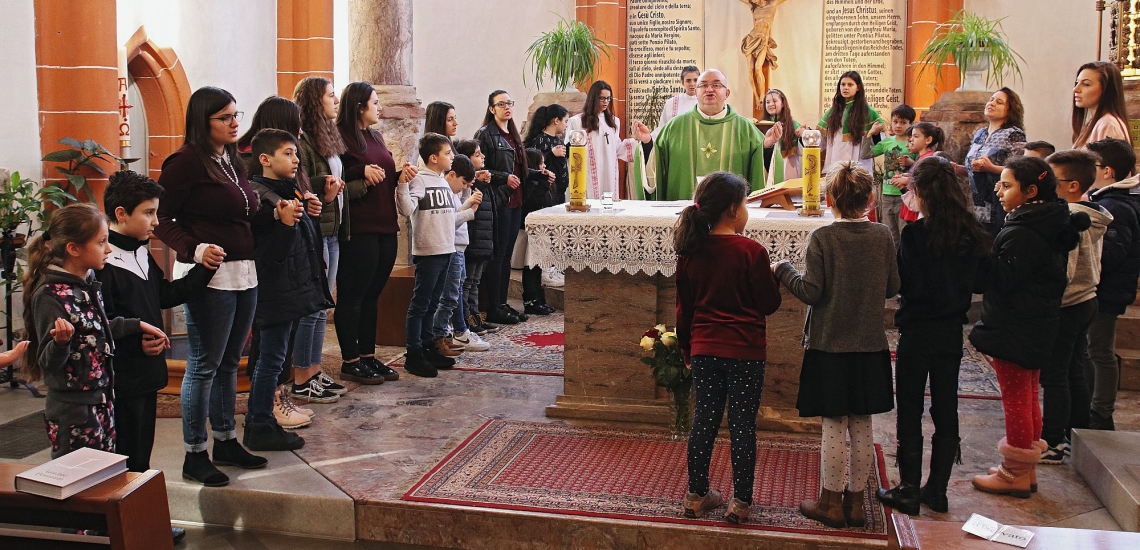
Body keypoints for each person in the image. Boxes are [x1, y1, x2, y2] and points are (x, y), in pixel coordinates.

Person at [773, 162, 899, 528]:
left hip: (830, 345)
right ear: (871, 199)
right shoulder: (883, 236)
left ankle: (829, 503)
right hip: (869, 343)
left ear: (828, 199)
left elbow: (812, 292)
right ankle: (856, 504)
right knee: (862, 422)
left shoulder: (824, 238)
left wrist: (783, 270)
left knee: (833, 424)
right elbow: (892, 288)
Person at [155, 86, 268, 486]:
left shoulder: (234, 161)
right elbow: (162, 218)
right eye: (225, 117)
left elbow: (244, 214)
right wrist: (194, 249)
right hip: (209, 278)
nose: (235, 123)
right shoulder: (184, 162)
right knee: (204, 364)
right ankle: (194, 452)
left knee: (228, 362)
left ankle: (226, 440)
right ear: (203, 121)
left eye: (237, 115)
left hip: (244, 274)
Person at [875, 157, 991, 516]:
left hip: (917, 329)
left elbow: (906, 285)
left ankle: (909, 489)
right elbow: (982, 283)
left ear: (921, 191)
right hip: (950, 331)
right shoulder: (972, 230)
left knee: (910, 407)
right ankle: (937, 490)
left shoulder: (916, 234)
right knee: (946, 407)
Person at [969, 156, 1087, 498]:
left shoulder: (1024, 231)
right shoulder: (1047, 221)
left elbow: (1001, 280)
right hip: (1035, 322)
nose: (998, 190)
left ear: (1031, 190)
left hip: (1016, 325)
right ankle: (1024, 469)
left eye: (1006, 186)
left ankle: (1014, 473)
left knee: (1018, 398)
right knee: (1028, 394)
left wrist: (980, 251)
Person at [676, 172, 781, 525]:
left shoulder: (691, 251)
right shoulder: (752, 251)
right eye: (746, 204)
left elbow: (684, 309)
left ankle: (696, 495)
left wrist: (688, 350)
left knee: (703, 421)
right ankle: (741, 503)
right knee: (742, 426)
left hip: (705, 349)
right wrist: (775, 275)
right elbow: (768, 304)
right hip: (745, 352)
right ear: (734, 209)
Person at [98, 170, 216, 472]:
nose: (155, 222)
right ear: (121, 214)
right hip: (121, 376)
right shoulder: (103, 263)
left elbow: (163, 295)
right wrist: (136, 339)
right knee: (123, 457)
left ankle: (138, 515)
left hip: (146, 373)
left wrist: (204, 269)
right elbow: (102, 322)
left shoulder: (141, 253)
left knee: (141, 454)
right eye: (149, 213)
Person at [236, 95, 342, 410]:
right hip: (272, 278)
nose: (296, 151)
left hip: (293, 270)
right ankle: (268, 406)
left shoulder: (285, 177)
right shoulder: (255, 178)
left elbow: (293, 215)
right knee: (269, 349)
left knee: (280, 346)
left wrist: (307, 203)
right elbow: (266, 235)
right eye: (290, 148)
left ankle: (278, 398)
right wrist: (283, 217)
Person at [244, 129, 334, 452]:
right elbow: (269, 254)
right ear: (265, 159)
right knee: (270, 359)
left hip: (291, 290)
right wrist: (283, 223)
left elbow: (303, 244)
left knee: (278, 356)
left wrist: (310, 213)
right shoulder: (259, 196)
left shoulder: (290, 191)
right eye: (288, 153)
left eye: (296, 153)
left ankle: (261, 420)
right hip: (273, 292)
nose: (296, 159)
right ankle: (258, 422)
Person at [1037, 149, 1111, 464]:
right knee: (1074, 369)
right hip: (1087, 299)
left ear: (1072, 185)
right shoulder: (1093, 212)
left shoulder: (1068, 216)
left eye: (1051, 180)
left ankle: (1053, 441)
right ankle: (1079, 433)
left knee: (1054, 374)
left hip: (1067, 303)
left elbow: (1064, 268)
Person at [334, 81, 410, 384]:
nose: (380, 108)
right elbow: (336, 173)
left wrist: (399, 174)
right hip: (360, 226)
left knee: (372, 295)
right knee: (353, 295)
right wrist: (358, 171)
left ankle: (367, 355)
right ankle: (350, 360)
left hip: (384, 223)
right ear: (359, 106)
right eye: (375, 102)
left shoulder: (375, 135)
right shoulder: (340, 137)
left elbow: (383, 177)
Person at [397, 133, 482, 377]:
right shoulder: (420, 181)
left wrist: (469, 211)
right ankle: (413, 353)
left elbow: (450, 219)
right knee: (420, 304)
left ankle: (428, 346)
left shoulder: (444, 182)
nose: (452, 157)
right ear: (433, 158)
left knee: (433, 303)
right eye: (448, 153)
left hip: (447, 249)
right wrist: (402, 184)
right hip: (429, 250)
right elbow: (406, 209)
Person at [294, 76, 352, 408]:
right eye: (331, 96)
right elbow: (300, 181)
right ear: (316, 101)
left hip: (332, 230)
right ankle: (303, 377)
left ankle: (315, 371)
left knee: (322, 306)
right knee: (312, 307)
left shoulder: (328, 135)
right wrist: (324, 185)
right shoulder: (303, 141)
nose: (335, 101)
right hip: (317, 229)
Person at [1084, 138, 1140, 430]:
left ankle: (1101, 413)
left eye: (1090, 165)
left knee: (1100, 352)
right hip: (1103, 289)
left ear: (1107, 171)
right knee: (1093, 349)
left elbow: (1109, 255)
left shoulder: (1113, 206)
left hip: (1105, 291)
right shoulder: (1109, 200)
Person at [476, 90, 543, 324]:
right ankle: (495, 305)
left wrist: (539, 175)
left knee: (506, 255)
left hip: (516, 201)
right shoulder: (486, 135)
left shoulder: (512, 135)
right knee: (499, 255)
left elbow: (519, 170)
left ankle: (503, 303)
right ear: (491, 108)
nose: (507, 107)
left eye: (509, 103)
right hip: (499, 200)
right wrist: (502, 178)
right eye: (501, 104)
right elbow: (479, 167)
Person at [648, 69, 767, 201]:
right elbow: (656, 159)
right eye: (703, 85)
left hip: (730, 215)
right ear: (696, 92)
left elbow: (763, 163)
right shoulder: (674, 127)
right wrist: (646, 144)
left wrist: (768, 147)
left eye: (716, 85)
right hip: (684, 215)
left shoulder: (746, 129)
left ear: (727, 93)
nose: (709, 89)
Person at [440, 155, 491, 352]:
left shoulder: (451, 189)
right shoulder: (444, 189)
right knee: (451, 295)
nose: (463, 187)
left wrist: (468, 197)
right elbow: (450, 219)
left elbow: (456, 210)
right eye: (463, 182)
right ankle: (454, 332)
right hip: (451, 246)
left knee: (457, 291)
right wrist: (470, 208)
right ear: (452, 174)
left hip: (459, 246)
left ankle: (455, 331)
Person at [566, 81, 649, 199]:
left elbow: (618, 148)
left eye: (608, 98)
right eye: (602, 98)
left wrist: (636, 140)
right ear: (593, 98)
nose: (606, 102)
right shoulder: (577, 121)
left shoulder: (614, 121)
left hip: (608, 170)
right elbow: (569, 149)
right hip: (587, 171)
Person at [453, 139, 500, 335]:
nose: (482, 157)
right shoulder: (466, 185)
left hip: (482, 241)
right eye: (477, 154)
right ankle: (467, 320)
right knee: (467, 283)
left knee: (475, 282)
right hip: (471, 242)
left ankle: (475, 317)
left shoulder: (481, 183)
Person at [966, 88, 1027, 236]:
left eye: (999, 102)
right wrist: (957, 168)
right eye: (991, 99)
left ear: (1011, 109)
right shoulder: (980, 133)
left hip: (996, 201)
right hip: (974, 203)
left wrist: (991, 168)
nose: (991, 103)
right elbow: (971, 168)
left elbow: (1018, 170)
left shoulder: (1014, 134)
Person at [524, 104, 569, 290]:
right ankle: (546, 270)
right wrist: (551, 154)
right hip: (544, 194)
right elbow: (535, 163)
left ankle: (554, 267)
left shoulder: (556, 139)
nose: (566, 125)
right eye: (565, 121)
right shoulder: (541, 140)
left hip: (556, 192)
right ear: (555, 120)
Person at [864, 104, 916, 246]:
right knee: (890, 235)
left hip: (904, 194)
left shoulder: (913, 143)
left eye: (903, 122)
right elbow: (866, 154)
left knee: (904, 233)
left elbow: (921, 166)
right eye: (895, 122)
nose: (898, 126)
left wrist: (911, 162)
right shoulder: (887, 142)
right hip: (887, 194)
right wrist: (869, 134)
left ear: (911, 124)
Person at [818, 71, 885, 175]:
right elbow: (822, 141)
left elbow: (879, 143)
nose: (845, 88)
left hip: (859, 164)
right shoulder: (832, 112)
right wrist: (806, 134)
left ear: (858, 87)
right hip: (835, 162)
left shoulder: (867, 112)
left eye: (850, 85)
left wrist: (873, 133)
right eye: (843, 84)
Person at [520, 148, 558, 315]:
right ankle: (531, 300)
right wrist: (543, 183)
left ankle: (539, 299)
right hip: (530, 231)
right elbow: (533, 203)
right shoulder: (530, 183)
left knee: (538, 267)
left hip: (541, 230)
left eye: (544, 163)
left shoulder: (541, 182)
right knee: (531, 267)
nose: (544, 167)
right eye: (540, 163)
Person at [894, 122, 946, 223]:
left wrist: (906, 180)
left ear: (928, 140)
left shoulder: (930, 158)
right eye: (911, 136)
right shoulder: (920, 158)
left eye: (916, 136)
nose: (911, 140)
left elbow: (925, 180)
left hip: (922, 205)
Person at [1073, 61, 1132, 149]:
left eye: (1086, 84)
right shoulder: (1094, 123)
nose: (1075, 89)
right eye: (1077, 83)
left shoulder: (1108, 125)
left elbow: (1108, 162)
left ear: (1106, 89)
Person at [761, 88, 803, 186]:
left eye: (774, 101)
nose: (770, 104)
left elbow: (801, 151)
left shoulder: (793, 125)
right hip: (767, 167)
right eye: (767, 102)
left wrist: (802, 136)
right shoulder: (761, 125)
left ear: (783, 103)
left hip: (788, 167)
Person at [656, 65, 700, 133]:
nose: (692, 84)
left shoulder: (706, 101)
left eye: (695, 80)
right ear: (682, 82)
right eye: (688, 81)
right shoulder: (671, 103)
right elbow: (662, 128)